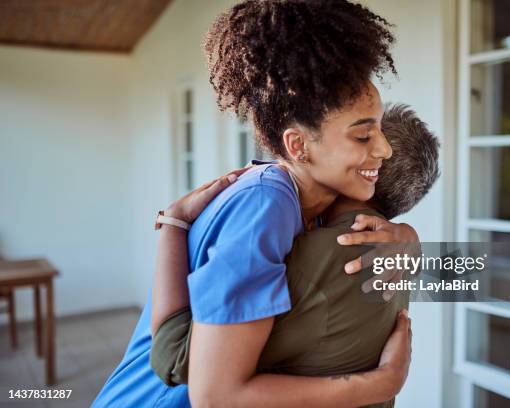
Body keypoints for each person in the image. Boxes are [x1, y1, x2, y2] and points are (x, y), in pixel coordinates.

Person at [93, 1, 416, 407]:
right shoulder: (267, 204)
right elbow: (216, 396)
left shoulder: (311, 208)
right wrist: (381, 385)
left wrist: (409, 237)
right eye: (363, 136)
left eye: (381, 129)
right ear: (298, 146)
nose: (384, 149)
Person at [149, 104, 440, 408]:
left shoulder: (319, 254)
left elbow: (174, 358)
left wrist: (173, 223)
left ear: (367, 172)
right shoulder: (399, 257)